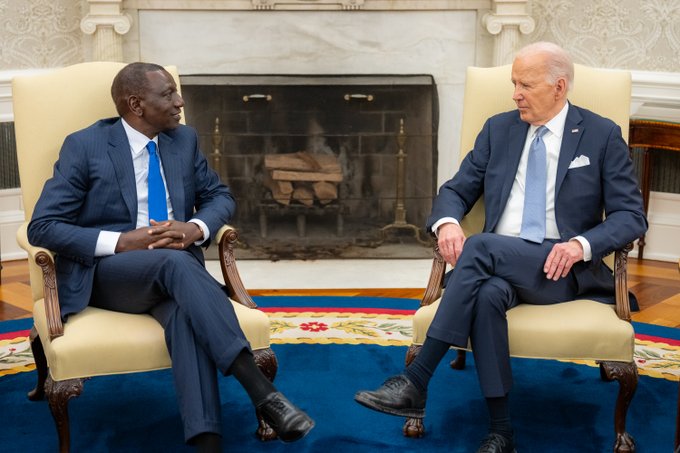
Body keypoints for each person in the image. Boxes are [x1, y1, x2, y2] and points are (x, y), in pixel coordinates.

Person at [354, 42, 647, 453]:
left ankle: (417, 379)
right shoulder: (499, 129)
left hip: (560, 269)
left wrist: (581, 245)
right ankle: (502, 431)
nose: (515, 93)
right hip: (497, 263)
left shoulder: (600, 135)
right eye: (513, 83)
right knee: (488, 293)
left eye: (525, 84)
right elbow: (455, 190)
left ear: (559, 87)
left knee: (483, 249)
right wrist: (448, 223)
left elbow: (631, 216)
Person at [27, 62, 314, 451]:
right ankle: (262, 392)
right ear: (136, 104)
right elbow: (43, 226)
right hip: (107, 274)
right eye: (168, 94)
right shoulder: (85, 145)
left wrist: (194, 228)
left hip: (175, 274)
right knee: (176, 263)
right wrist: (122, 241)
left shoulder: (184, 140)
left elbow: (219, 196)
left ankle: (207, 443)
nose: (180, 102)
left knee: (184, 313)